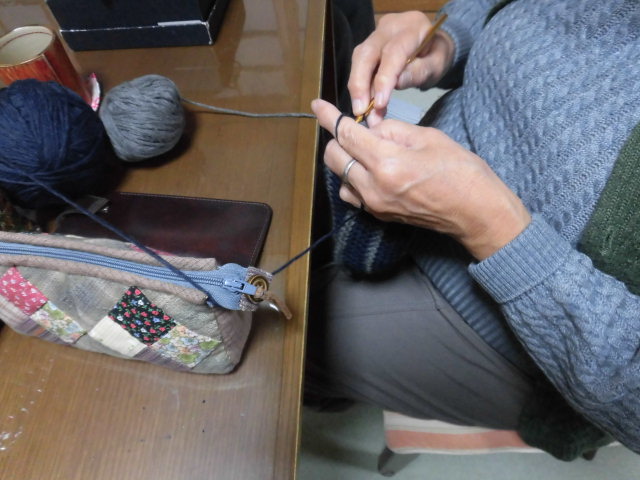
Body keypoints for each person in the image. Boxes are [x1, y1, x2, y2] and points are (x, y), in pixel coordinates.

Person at [305, 0, 640, 460]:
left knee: (287, 339)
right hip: (431, 162)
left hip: (522, 331)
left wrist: (489, 226)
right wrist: (448, 39)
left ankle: (329, 388)